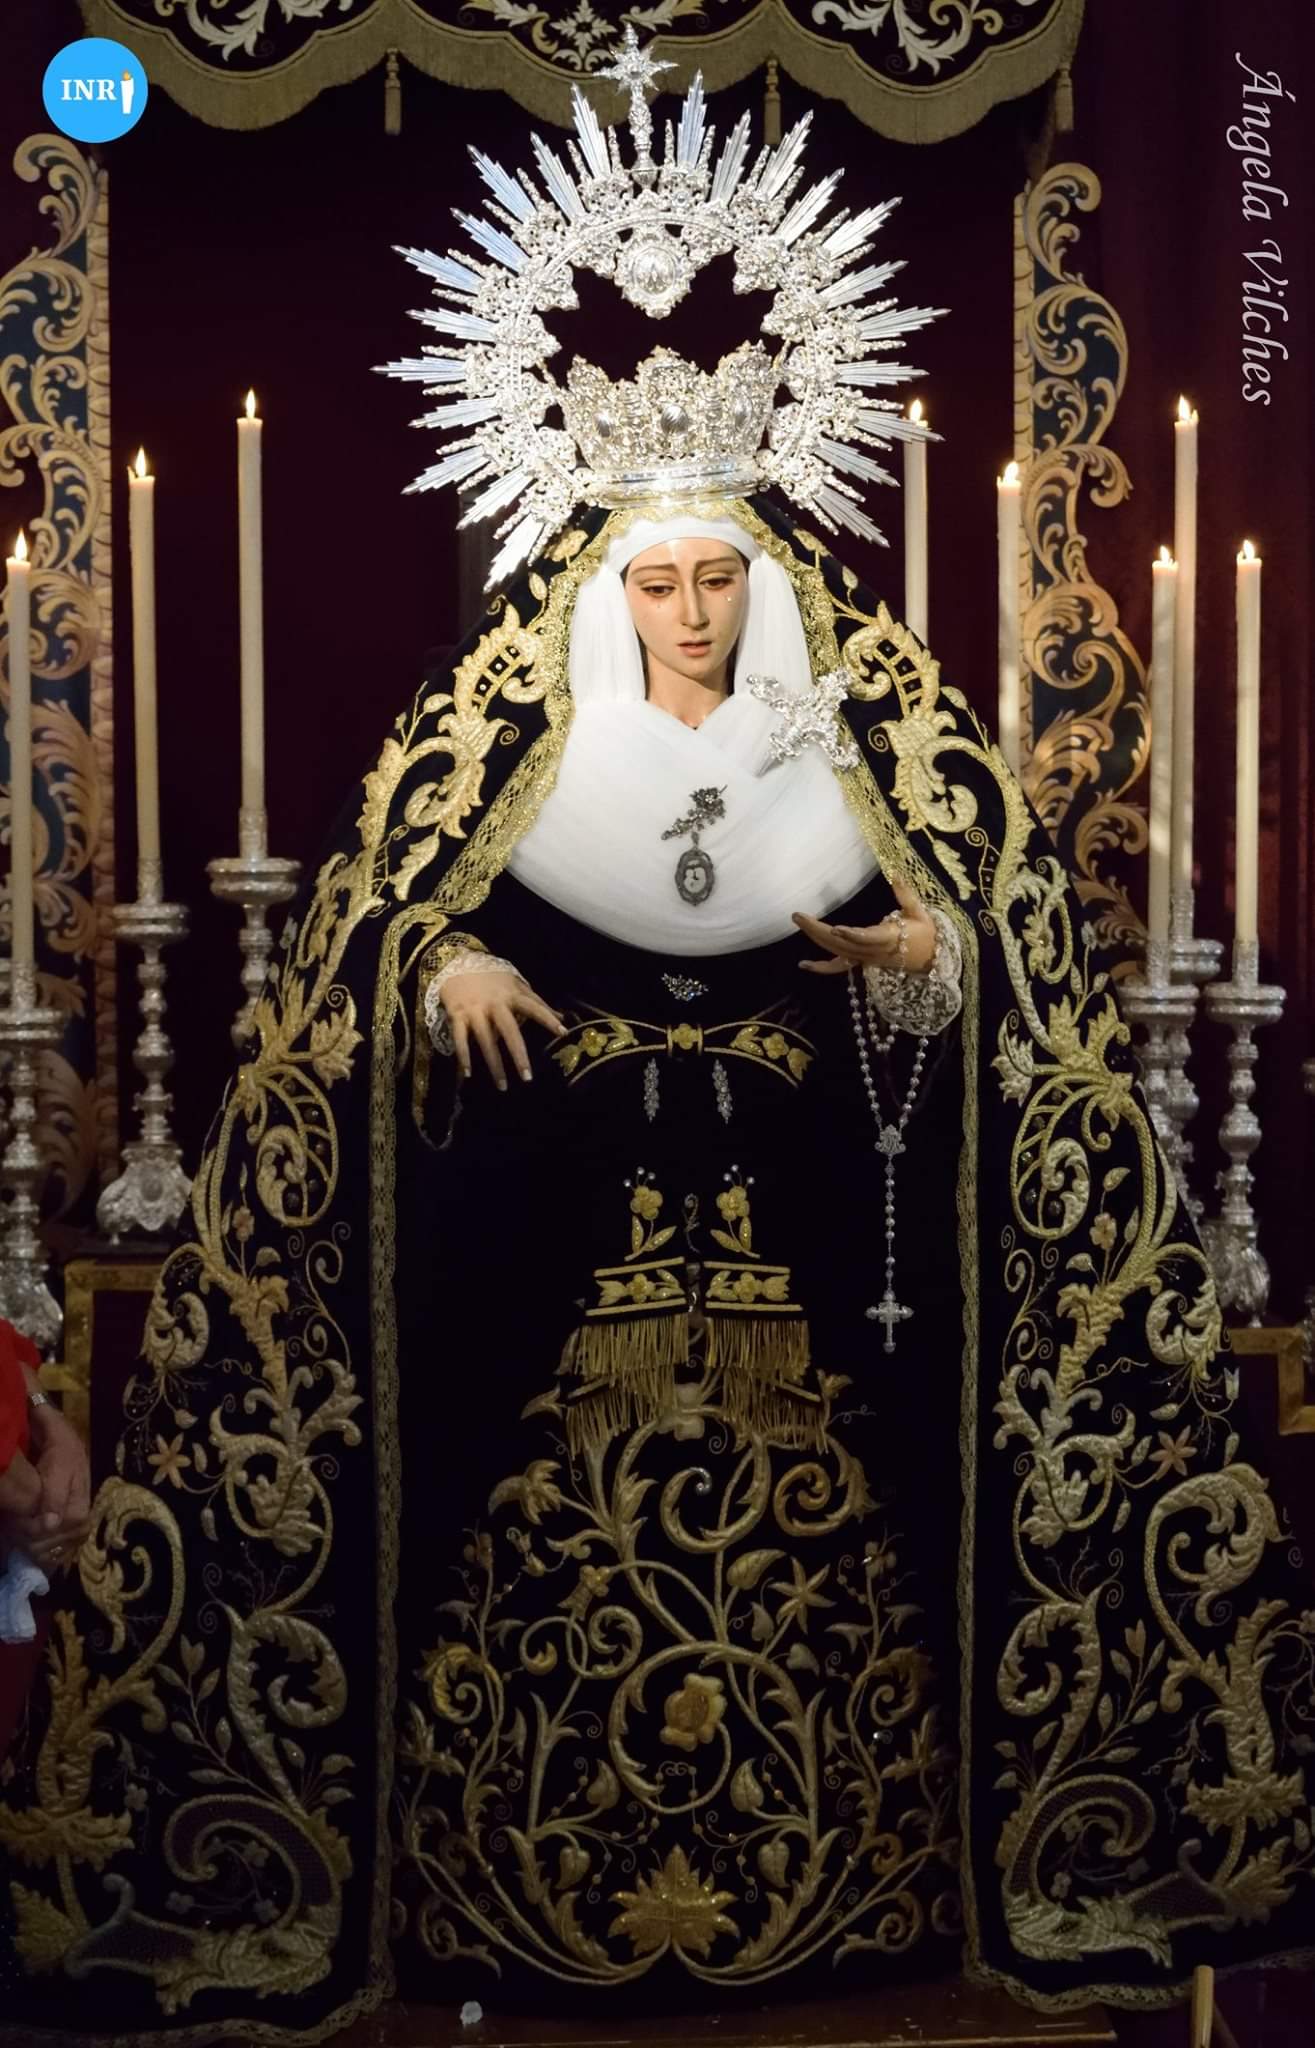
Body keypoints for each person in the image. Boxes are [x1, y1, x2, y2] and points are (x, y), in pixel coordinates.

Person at [2, 47, 1313, 2047]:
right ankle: (472, 1890)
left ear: (761, 580)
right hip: (546, 1280)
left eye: (717, 579)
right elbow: (371, 939)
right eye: (657, 582)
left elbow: (1003, 982)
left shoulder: (859, 751)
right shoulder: (507, 752)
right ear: (601, 588)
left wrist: (917, 953)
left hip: (820, 1286)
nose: (690, 611)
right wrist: (438, 957)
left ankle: (889, 1889)